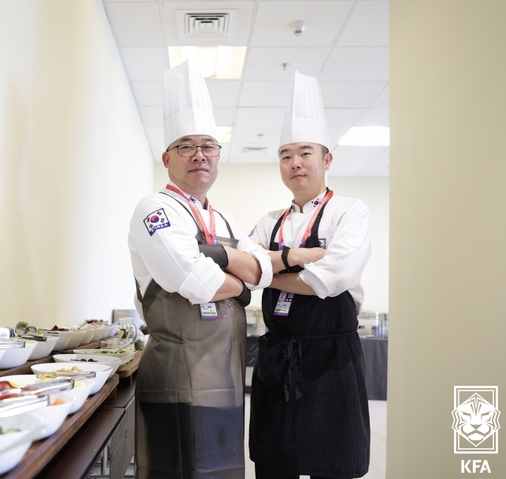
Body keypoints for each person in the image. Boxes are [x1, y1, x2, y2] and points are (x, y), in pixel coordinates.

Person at [128, 62, 320, 479]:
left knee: (222, 470)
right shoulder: (154, 210)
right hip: (174, 379)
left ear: (218, 156)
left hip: (226, 381)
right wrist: (241, 277)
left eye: (209, 146)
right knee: (174, 468)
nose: (199, 155)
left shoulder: (227, 221)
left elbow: (263, 270)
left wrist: (218, 258)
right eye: (186, 146)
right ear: (166, 157)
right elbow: (197, 283)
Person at [248, 72, 373, 479]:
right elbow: (239, 266)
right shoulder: (269, 220)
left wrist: (268, 268)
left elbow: (331, 279)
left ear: (327, 159)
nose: (295, 163)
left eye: (305, 152)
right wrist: (302, 257)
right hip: (277, 360)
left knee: (332, 465)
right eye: (285, 155)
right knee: (272, 465)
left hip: (331, 362)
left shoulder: (350, 212)